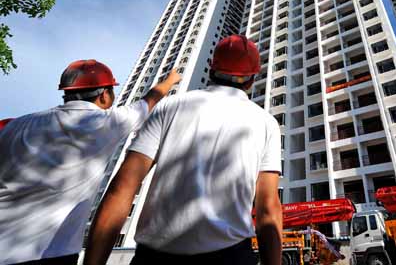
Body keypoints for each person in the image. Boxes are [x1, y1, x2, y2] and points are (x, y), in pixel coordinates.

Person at [84, 35, 283, 265]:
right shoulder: (265, 122)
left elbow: (122, 189)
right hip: (231, 257)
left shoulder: (170, 106)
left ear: (211, 69)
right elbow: (268, 208)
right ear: (251, 79)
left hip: (155, 258)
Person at [0, 59, 181, 265]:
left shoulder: (15, 125)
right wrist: (172, 79)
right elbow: (150, 99)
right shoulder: (106, 123)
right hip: (50, 253)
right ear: (104, 94)